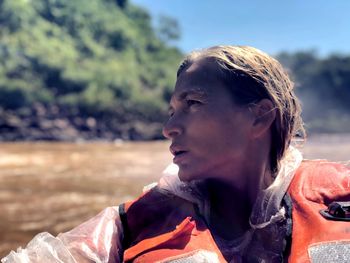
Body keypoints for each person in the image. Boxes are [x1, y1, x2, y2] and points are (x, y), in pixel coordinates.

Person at [2, 46, 350, 263]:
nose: (170, 127)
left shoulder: (342, 193)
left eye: (193, 104)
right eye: (171, 110)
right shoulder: (127, 226)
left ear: (259, 116)